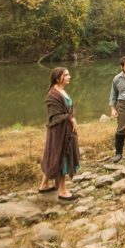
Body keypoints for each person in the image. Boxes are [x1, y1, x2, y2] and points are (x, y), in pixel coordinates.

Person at [40, 67, 80, 201]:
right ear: (58, 78)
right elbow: (55, 116)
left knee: (52, 153)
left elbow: (67, 109)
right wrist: (70, 119)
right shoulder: (53, 95)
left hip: (65, 129)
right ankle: (62, 191)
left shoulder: (61, 91)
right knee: (61, 155)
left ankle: (44, 184)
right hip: (59, 131)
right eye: (66, 75)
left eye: (69, 74)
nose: (69, 77)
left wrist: (71, 118)